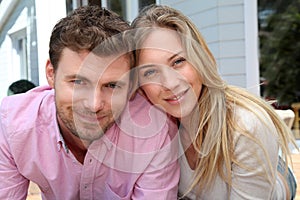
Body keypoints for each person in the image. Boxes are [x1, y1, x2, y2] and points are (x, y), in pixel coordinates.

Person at [0, 5, 179, 199]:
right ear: (51, 74)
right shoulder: (12, 125)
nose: (94, 104)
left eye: (112, 85)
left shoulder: (155, 130)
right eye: (78, 82)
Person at [131, 4, 297, 199]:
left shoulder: (246, 127)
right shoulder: (153, 128)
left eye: (178, 62)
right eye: (151, 72)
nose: (169, 83)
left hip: (270, 180)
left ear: (199, 57)